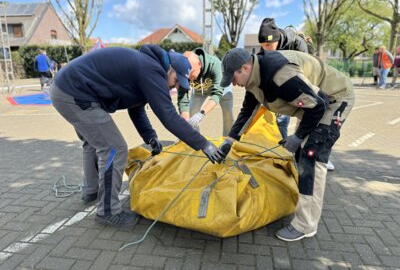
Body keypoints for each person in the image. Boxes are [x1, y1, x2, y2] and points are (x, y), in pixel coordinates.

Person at [49, 45, 223, 228]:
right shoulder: (151, 70)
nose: (175, 86)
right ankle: (107, 211)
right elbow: (169, 117)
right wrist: (204, 144)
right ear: (170, 69)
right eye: (175, 80)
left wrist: (150, 136)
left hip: (66, 87)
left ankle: (92, 191)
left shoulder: (147, 65)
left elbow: (136, 108)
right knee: (114, 148)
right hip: (75, 93)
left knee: (93, 142)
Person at [217, 48, 355, 241]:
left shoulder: (280, 75)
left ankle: (306, 225)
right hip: (312, 105)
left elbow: (319, 104)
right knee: (300, 155)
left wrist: (297, 137)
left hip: (334, 99)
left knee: (311, 158)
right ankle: (303, 201)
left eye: (233, 77)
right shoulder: (254, 78)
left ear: (245, 67)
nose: (233, 83)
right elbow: (248, 110)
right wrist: (229, 141)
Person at [257, 18, 335, 171]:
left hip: (309, 83)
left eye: (268, 45)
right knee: (281, 120)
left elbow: (308, 73)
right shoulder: (265, 51)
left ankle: (320, 157)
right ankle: (284, 151)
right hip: (286, 84)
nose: (266, 50)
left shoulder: (298, 44)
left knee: (310, 120)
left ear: (278, 40)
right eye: (262, 46)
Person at [178, 48, 234, 136]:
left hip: (222, 88)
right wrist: (185, 120)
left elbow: (217, 94)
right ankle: (195, 137)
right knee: (192, 111)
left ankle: (227, 139)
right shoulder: (183, 70)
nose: (188, 77)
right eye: (185, 74)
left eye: (191, 73)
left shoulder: (215, 65)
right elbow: (182, 98)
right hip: (199, 90)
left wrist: (202, 113)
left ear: (199, 64)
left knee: (228, 114)